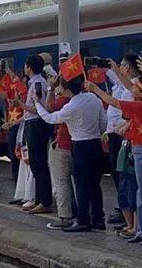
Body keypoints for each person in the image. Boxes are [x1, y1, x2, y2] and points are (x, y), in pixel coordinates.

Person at [86, 66, 142, 245]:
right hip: (140, 149)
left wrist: (95, 89)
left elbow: (114, 102)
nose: (131, 87)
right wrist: (118, 72)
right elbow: (128, 89)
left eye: (136, 87)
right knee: (141, 192)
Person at [35, 75, 106, 232]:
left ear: (68, 91)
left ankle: (83, 220)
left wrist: (37, 104)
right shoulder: (93, 98)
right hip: (95, 143)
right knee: (95, 184)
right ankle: (98, 218)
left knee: (81, 185)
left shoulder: (71, 106)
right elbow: (103, 122)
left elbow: (50, 118)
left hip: (80, 145)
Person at [12, 55, 53, 214]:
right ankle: (39, 198)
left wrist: (20, 105)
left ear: (29, 67)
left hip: (36, 124)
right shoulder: (34, 83)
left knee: (39, 163)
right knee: (35, 163)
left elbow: (39, 109)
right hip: (33, 124)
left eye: (25, 65)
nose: (24, 68)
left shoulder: (37, 84)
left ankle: (45, 201)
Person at [104, 54, 141, 225]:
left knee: (125, 177)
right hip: (116, 132)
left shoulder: (136, 87)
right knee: (119, 174)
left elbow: (119, 106)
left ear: (127, 68)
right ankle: (126, 213)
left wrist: (96, 90)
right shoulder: (124, 86)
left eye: (121, 66)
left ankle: (131, 218)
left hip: (124, 135)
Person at [40, 77, 74, 229]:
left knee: (61, 182)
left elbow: (48, 109)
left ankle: (65, 216)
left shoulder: (64, 100)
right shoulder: (89, 99)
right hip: (78, 145)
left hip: (63, 143)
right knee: (80, 183)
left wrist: (50, 89)